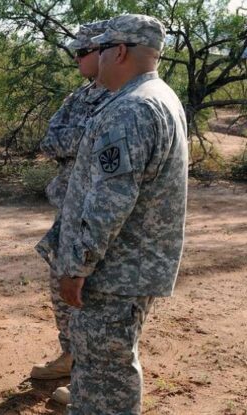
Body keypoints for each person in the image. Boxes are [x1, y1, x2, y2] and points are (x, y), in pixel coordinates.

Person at [55, 14, 188, 414]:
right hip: (128, 267)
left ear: (119, 51)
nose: (96, 59)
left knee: (105, 376)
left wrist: (78, 264)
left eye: (101, 49)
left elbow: (111, 199)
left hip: (115, 273)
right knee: (104, 369)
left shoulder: (132, 108)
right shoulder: (157, 96)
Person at [31, 21, 111, 404]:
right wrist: (79, 142)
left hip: (99, 211)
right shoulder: (79, 97)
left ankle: (91, 376)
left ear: (108, 53)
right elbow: (50, 139)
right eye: (76, 52)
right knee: (60, 286)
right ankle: (70, 354)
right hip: (67, 207)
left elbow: (98, 150)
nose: (77, 58)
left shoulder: (122, 98)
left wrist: (77, 142)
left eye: (83, 52)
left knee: (95, 295)